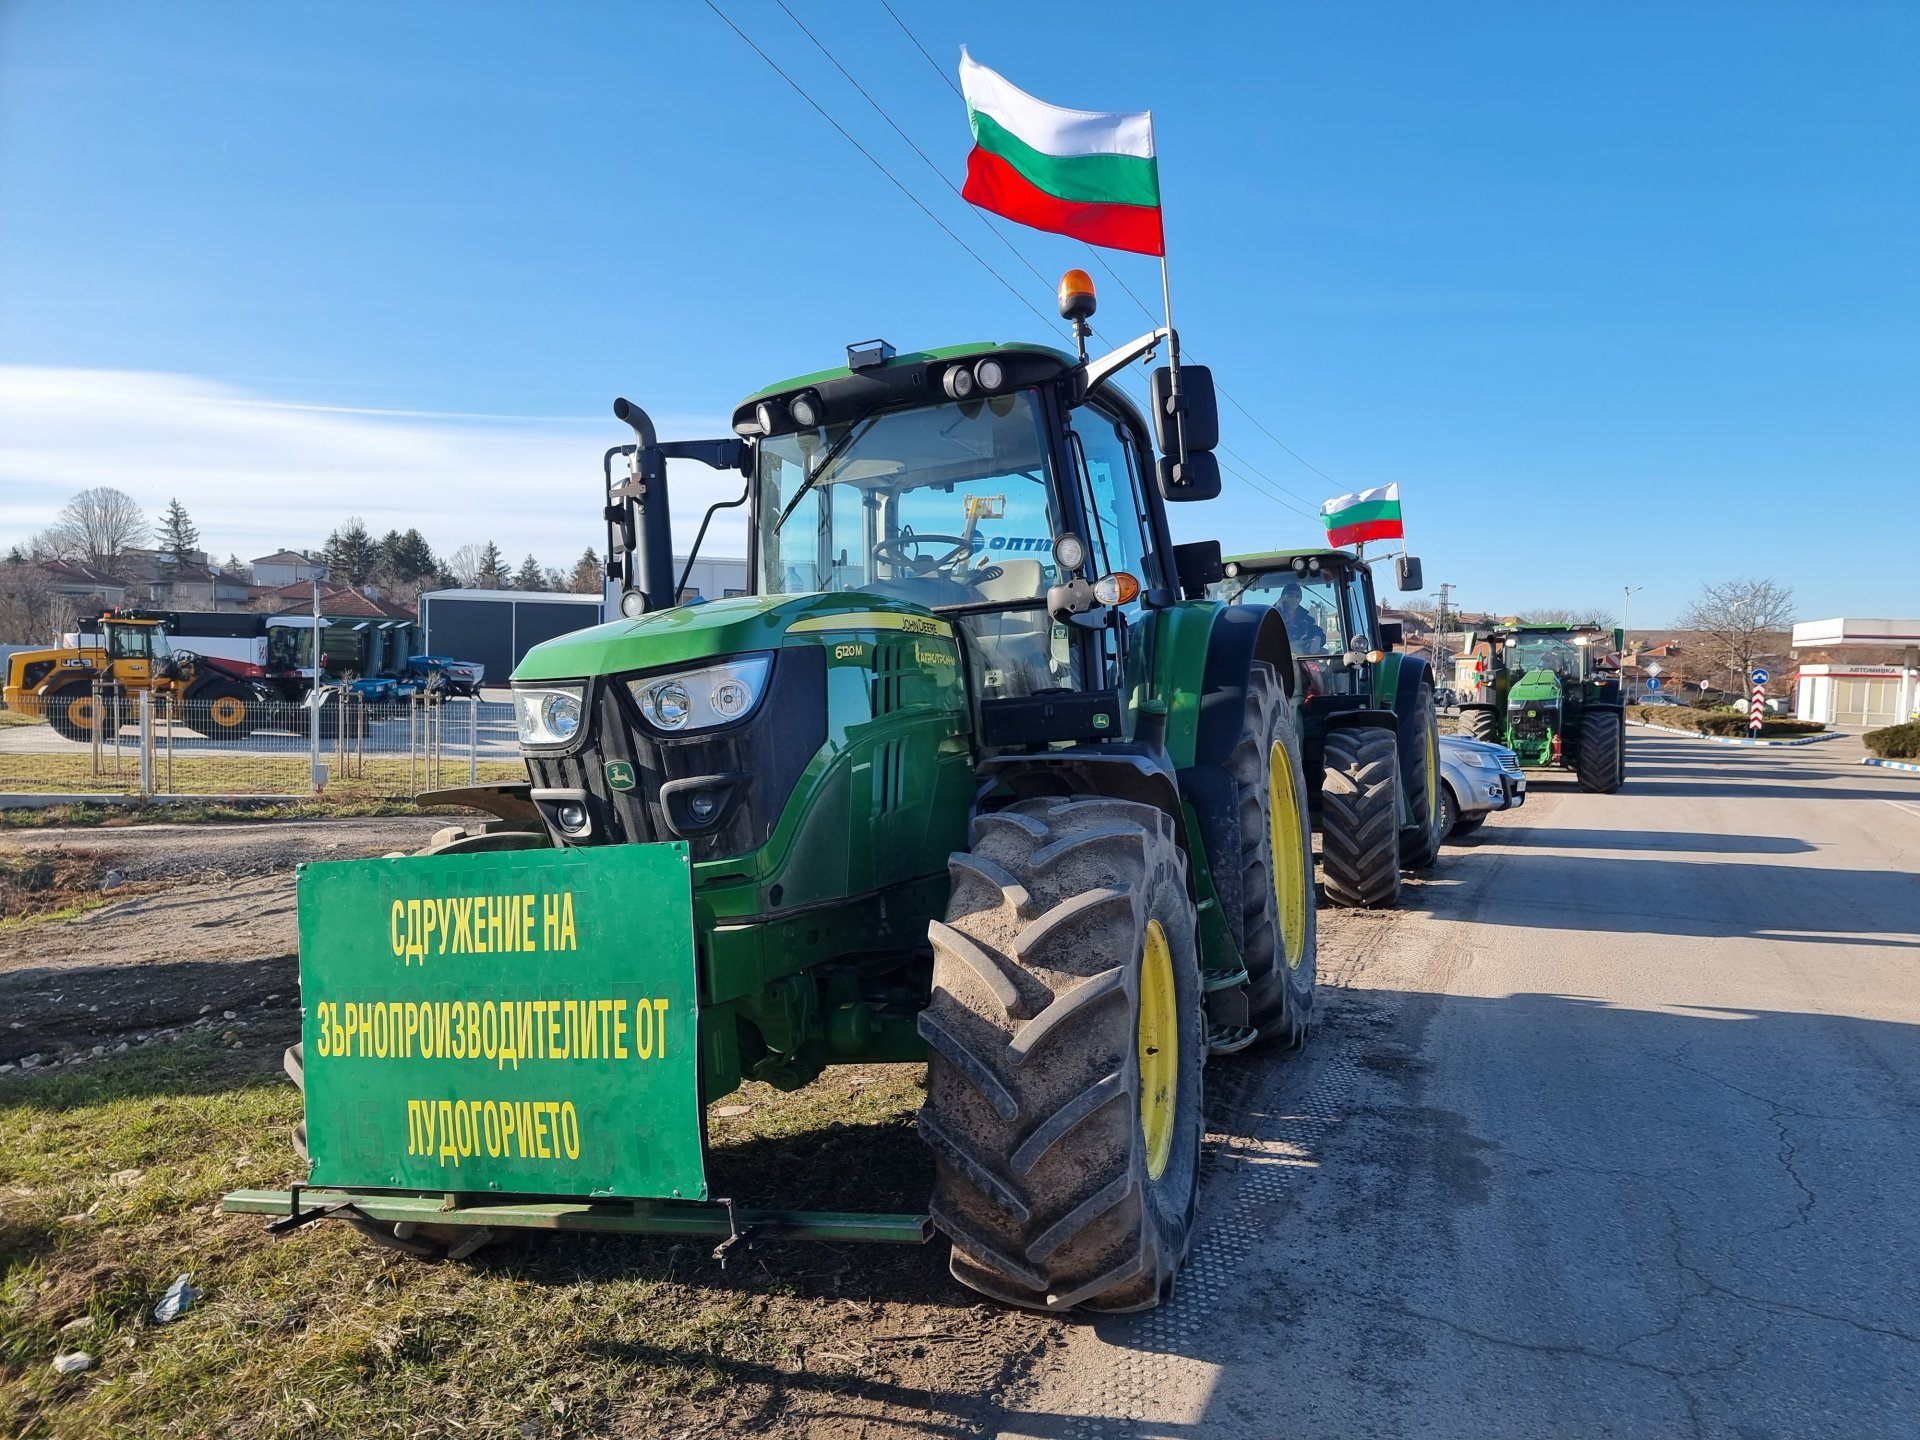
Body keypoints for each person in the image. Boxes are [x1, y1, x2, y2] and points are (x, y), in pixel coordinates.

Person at [1278, 582, 1327, 653]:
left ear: (1300, 599)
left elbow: (1315, 631)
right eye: (1290, 596)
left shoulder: (1307, 620)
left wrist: (1318, 637)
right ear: (1282, 598)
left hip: (1301, 659)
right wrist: (1279, 609)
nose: (1294, 599)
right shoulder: (1272, 616)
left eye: (1297, 596)